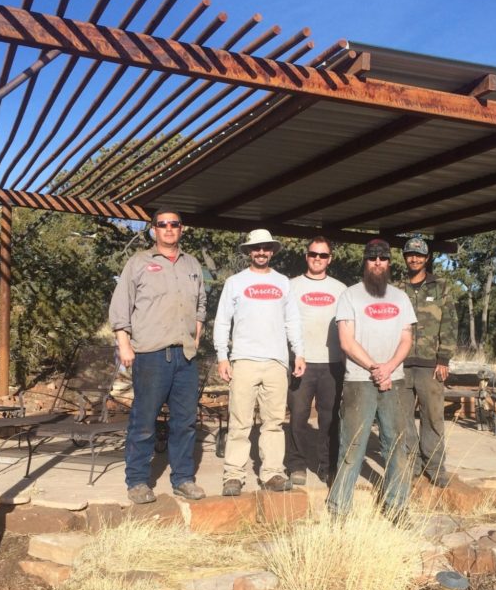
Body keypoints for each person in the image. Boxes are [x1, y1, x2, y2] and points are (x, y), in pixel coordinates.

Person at [108, 209, 207, 505]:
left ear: (182, 229)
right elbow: (120, 308)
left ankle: (183, 479)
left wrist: (196, 337)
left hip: (185, 356)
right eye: (162, 224)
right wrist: (124, 346)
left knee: (185, 422)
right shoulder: (139, 263)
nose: (168, 229)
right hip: (151, 355)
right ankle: (138, 480)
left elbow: (200, 304)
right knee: (144, 420)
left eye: (173, 224)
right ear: (153, 230)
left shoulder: (192, 265)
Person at [327, 239, 417, 519]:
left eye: (383, 258)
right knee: (353, 445)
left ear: (390, 263)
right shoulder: (350, 296)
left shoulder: (400, 297)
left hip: (395, 380)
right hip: (359, 381)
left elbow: (406, 339)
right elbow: (346, 341)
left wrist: (389, 368)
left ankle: (396, 507)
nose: (378, 263)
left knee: (397, 445)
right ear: (364, 262)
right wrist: (375, 368)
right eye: (372, 258)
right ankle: (339, 508)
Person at [214, 229, 305, 495]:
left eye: (266, 248)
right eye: (256, 248)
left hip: (277, 361)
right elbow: (222, 321)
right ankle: (233, 475)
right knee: (239, 422)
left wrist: (298, 353)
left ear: (272, 251)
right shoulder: (235, 282)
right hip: (243, 360)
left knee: (274, 422)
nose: (261, 252)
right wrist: (223, 356)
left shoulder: (283, 282)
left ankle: (273, 474)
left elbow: (292, 321)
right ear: (248, 252)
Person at [396, 235, 458, 487]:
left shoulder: (440, 287)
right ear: (405, 257)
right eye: (410, 254)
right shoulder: (396, 288)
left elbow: (450, 323)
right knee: (402, 417)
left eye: (419, 255)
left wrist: (444, 358)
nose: (414, 258)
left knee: (433, 416)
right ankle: (411, 464)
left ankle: (434, 465)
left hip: (430, 364)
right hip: (400, 363)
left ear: (427, 258)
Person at [285, 236, 347, 486]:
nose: (317, 259)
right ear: (306, 256)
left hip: (332, 363)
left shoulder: (340, 289)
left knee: (330, 418)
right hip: (301, 362)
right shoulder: (291, 286)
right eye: (313, 254)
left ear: (329, 259)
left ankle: (327, 465)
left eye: (323, 255)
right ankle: (297, 465)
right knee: (298, 416)